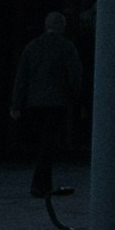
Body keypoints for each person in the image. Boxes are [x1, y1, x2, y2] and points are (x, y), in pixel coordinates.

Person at [7, 12, 86, 204]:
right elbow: (75, 75)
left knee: (43, 142)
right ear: (61, 26)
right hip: (57, 102)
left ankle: (43, 183)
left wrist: (16, 104)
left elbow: (22, 77)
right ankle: (40, 184)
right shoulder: (66, 47)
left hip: (35, 102)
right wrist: (77, 97)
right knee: (49, 143)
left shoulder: (32, 47)